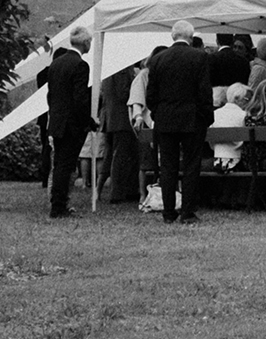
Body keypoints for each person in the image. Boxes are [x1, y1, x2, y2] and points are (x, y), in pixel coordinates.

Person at [145, 20, 213, 223]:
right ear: (191, 37)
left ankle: (168, 212)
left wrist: (158, 113)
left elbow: (151, 95)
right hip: (192, 119)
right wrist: (206, 117)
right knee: (192, 165)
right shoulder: (199, 57)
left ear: (172, 36)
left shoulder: (157, 60)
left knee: (168, 166)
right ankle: (188, 211)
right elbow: (204, 91)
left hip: (165, 119)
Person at [45, 26, 94, 218]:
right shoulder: (81, 65)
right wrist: (86, 122)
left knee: (59, 165)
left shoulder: (56, 64)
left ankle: (57, 204)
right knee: (67, 166)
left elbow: (51, 95)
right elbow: (80, 98)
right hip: (71, 124)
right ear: (86, 43)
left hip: (57, 121)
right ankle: (59, 206)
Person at [100, 56, 140, 203]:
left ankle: (123, 190)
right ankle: (117, 193)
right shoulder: (123, 70)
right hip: (122, 118)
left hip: (111, 118)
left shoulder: (109, 68)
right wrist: (136, 84)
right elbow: (124, 93)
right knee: (121, 156)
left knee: (113, 156)